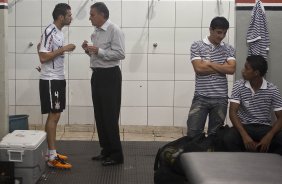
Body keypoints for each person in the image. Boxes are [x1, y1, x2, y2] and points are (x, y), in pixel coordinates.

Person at [81, 2, 125, 166]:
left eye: (92, 14)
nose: (90, 18)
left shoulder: (114, 30)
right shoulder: (95, 33)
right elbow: (98, 56)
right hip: (97, 75)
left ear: (102, 15)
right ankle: (106, 150)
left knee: (109, 116)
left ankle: (116, 154)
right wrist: (88, 50)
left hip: (110, 76)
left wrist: (97, 50)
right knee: (100, 115)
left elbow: (120, 54)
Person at [37, 3, 76, 169]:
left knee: (56, 114)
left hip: (58, 78)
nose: (71, 17)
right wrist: (64, 49)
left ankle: (50, 152)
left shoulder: (58, 32)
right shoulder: (50, 30)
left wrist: (61, 49)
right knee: (54, 115)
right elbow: (43, 56)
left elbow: (40, 47)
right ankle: (52, 156)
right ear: (61, 17)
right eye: (69, 15)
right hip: (51, 80)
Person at [187, 16, 236, 138]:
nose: (221, 36)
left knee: (216, 135)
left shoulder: (229, 48)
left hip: (221, 98)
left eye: (224, 33)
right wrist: (221, 66)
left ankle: (212, 157)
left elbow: (231, 69)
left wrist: (209, 63)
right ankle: (193, 157)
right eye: (219, 32)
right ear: (211, 30)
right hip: (201, 97)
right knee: (193, 133)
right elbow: (199, 69)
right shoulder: (197, 45)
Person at [223, 55, 282, 155]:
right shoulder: (239, 85)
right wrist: (244, 136)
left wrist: (269, 136)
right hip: (244, 126)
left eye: (246, 68)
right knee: (227, 138)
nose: (242, 71)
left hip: (264, 127)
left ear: (256, 73)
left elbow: (281, 117)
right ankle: (240, 163)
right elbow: (232, 112)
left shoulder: (272, 89)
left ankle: (270, 164)